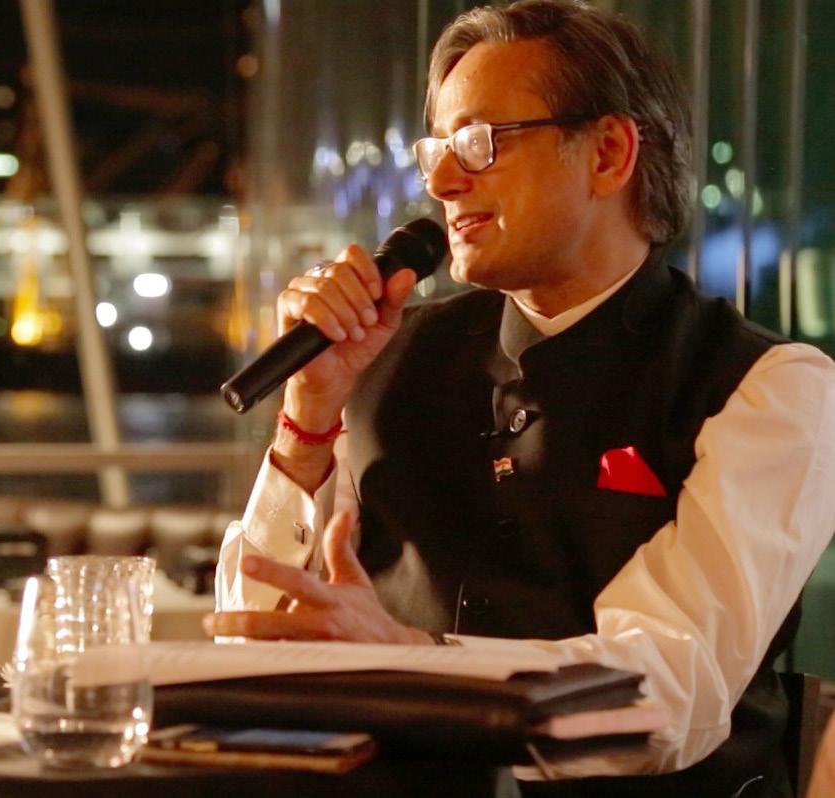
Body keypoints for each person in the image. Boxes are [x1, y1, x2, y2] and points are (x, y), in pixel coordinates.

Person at [208, 1, 835, 795]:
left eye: (480, 142)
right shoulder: (379, 355)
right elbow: (252, 643)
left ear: (608, 153)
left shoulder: (767, 385)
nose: (442, 182)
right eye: (437, 149)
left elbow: (670, 686)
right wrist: (307, 416)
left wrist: (415, 663)